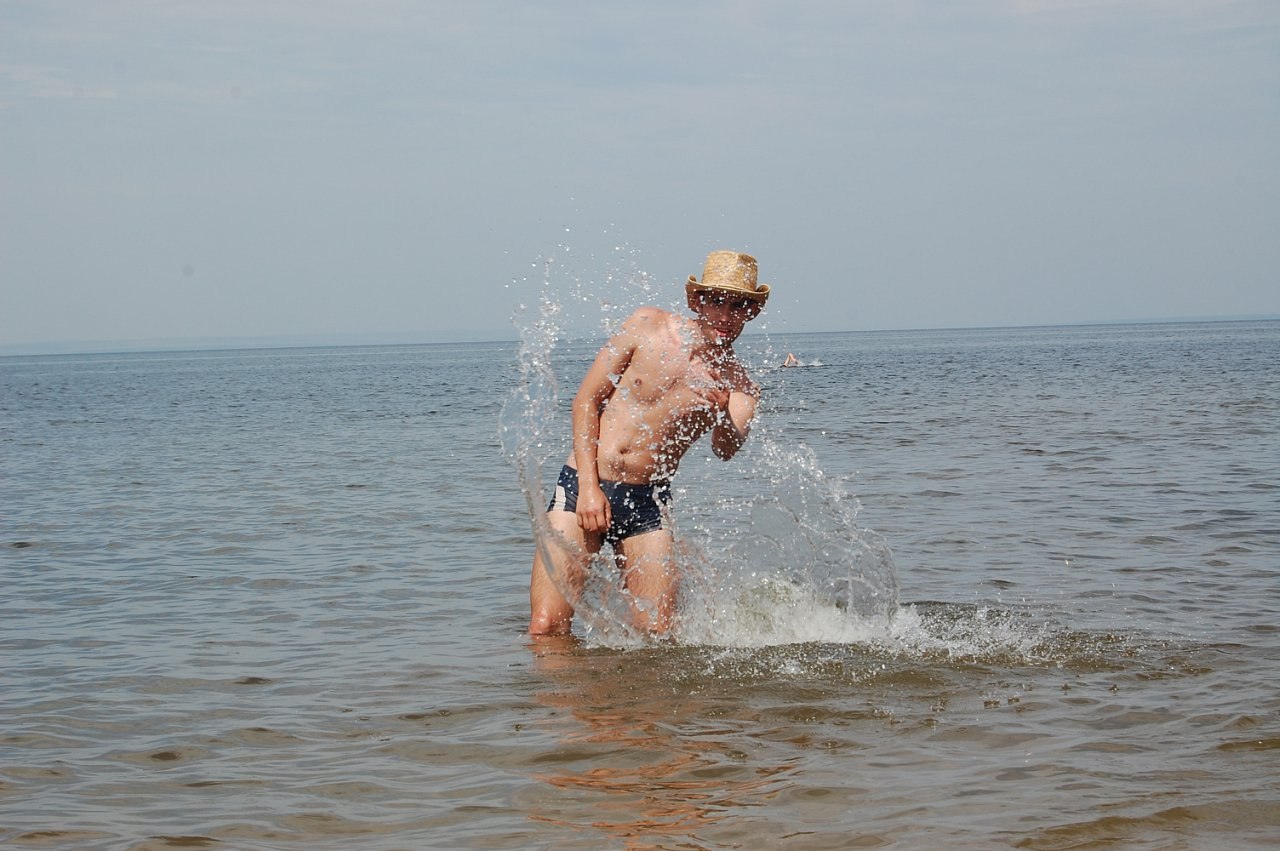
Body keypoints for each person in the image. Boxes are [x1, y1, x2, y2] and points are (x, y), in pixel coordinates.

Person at [528, 249, 771, 636]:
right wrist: (589, 489)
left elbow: (725, 449)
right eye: (717, 302)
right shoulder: (646, 325)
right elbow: (586, 401)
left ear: (752, 312)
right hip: (583, 486)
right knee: (546, 628)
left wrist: (723, 412)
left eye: (739, 306)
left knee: (657, 636)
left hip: (646, 504)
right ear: (696, 301)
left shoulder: (739, 385)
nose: (726, 316)